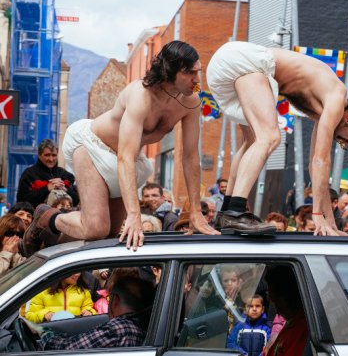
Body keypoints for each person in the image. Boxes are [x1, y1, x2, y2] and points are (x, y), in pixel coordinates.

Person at [21, 41, 218, 256]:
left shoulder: (193, 99)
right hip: (92, 146)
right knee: (96, 227)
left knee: (110, 237)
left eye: (198, 72)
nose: (197, 80)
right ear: (169, 70)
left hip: (127, 160)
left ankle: (49, 243)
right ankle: (46, 216)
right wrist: (134, 214)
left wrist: (196, 212)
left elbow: (190, 157)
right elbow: (125, 156)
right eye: (190, 73)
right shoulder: (141, 94)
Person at [208, 41, 348, 235]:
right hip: (246, 62)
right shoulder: (337, 97)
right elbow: (321, 160)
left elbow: (316, 169)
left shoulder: (323, 109)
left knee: (253, 141)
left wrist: (330, 223)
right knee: (270, 137)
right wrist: (316, 215)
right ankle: (235, 213)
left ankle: (226, 212)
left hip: (229, 65)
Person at [32, 276, 156, 350]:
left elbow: (67, 349)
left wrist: (46, 335)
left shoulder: (119, 329)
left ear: (115, 301)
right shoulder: (139, 326)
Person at [16, 139, 79, 209]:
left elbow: (76, 200)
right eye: (47, 155)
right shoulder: (29, 174)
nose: (51, 159)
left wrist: (65, 189)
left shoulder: (65, 175)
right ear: (39, 155)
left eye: (54, 155)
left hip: (63, 217)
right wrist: (46, 189)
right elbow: (22, 201)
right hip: (39, 218)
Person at [264, 265, 308, 356]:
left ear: (283, 295)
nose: (269, 298)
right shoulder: (292, 324)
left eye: (270, 292)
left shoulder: (299, 329)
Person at [25, 272, 96, 323]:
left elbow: (89, 309)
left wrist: (89, 312)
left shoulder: (83, 292)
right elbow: (30, 315)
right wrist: (44, 315)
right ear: (61, 272)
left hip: (75, 333)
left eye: (79, 271)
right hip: (51, 333)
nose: (77, 274)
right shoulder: (42, 291)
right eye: (73, 271)